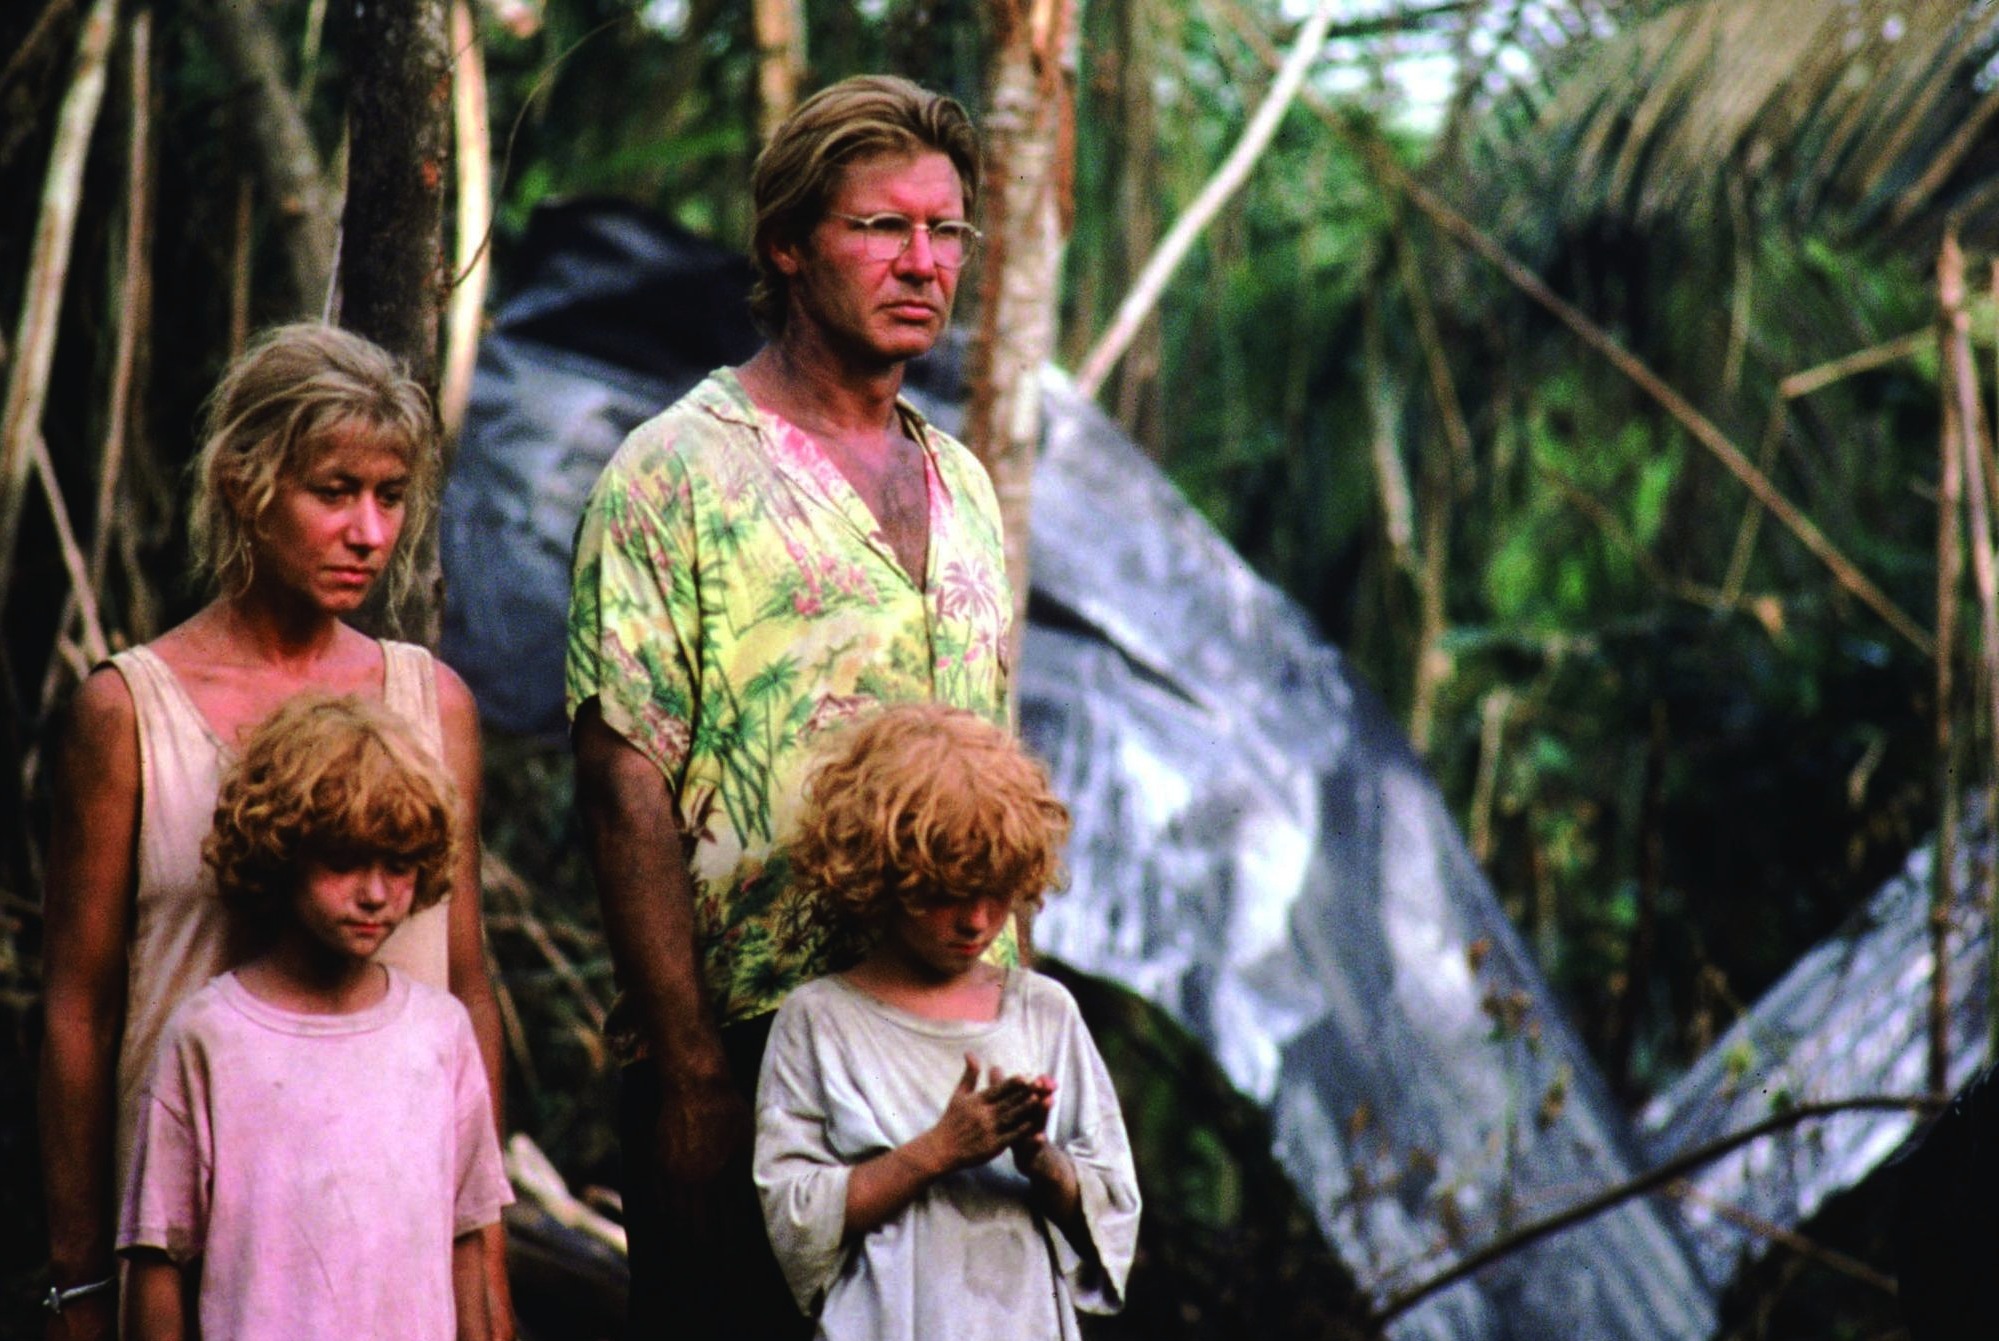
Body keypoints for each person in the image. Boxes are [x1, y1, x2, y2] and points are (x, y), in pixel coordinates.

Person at [566, 75, 1012, 1338]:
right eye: (882, 228)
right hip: (752, 1057)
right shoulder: (676, 471)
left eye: (947, 232)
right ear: (787, 245)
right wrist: (693, 1073)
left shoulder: (965, 483)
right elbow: (621, 781)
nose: (922, 262)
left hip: (951, 1049)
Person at [38, 323, 509, 1340]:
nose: (369, 532)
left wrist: (487, 1269)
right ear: (249, 484)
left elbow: (464, 981)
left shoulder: (432, 705)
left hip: (393, 1259)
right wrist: (77, 1282)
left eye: (390, 496)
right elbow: (77, 1005)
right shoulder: (129, 713)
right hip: (196, 1256)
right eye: (333, 491)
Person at [119, 694, 513, 1341]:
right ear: (282, 850)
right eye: (344, 861)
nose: (375, 892)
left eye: (398, 863)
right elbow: (157, 1256)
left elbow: (467, 1238)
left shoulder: (439, 1034)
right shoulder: (212, 1037)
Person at [754, 703, 1139, 1339]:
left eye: (997, 889)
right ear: (880, 873)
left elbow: (1113, 1211)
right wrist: (939, 1149)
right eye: (944, 891)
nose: (977, 921)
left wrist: (1040, 1158)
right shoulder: (821, 1022)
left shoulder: (1043, 1013)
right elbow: (793, 1221)